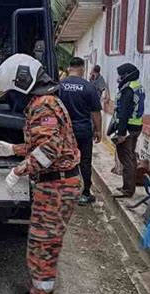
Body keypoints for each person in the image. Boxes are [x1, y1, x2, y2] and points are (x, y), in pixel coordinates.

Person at [0, 54, 81, 294]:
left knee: (43, 251)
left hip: (56, 188)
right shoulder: (48, 102)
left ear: (21, 83)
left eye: (11, 93)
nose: (12, 100)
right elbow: (48, 144)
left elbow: (49, 150)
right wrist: (13, 149)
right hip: (57, 186)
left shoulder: (43, 106)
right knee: (40, 247)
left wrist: (19, 170)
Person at [59, 57, 102, 205]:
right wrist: (98, 130)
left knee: (67, 161)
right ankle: (85, 194)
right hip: (83, 130)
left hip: (64, 132)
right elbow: (96, 112)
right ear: (82, 68)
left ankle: (68, 192)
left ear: (69, 68)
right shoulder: (88, 87)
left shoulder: (59, 86)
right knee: (85, 162)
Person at [112, 63, 145, 198]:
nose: (118, 78)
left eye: (120, 75)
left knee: (127, 158)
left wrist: (121, 133)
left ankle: (128, 190)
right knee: (129, 157)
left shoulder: (128, 90)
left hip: (128, 127)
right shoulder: (137, 87)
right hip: (135, 126)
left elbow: (124, 112)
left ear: (126, 75)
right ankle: (127, 187)